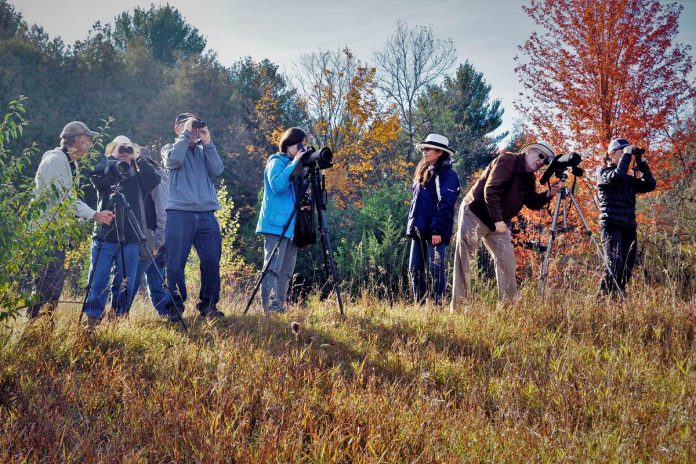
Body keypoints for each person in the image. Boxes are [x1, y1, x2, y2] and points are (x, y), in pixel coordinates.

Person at [451, 142, 560, 308]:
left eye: (545, 161)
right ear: (530, 151)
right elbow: (491, 190)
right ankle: (459, 307)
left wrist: (548, 194)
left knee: (507, 262)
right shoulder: (507, 160)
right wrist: (498, 220)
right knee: (465, 259)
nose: (541, 162)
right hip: (475, 213)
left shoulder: (529, 177)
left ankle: (508, 309)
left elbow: (531, 202)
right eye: (540, 156)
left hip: (498, 221)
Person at [29, 121, 115, 318]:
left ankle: (42, 329)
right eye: (88, 140)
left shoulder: (71, 162)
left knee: (53, 285)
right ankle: (35, 330)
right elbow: (65, 199)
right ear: (77, 141)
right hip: (45, 234)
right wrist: (95, 214)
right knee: (46, 285)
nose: (91, 145)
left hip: (55, 234)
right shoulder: (56, 160)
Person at [83, 136, 160, 326]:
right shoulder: (106, 172)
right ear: (112, 152)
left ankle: (119, 317)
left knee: (125, 282)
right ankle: (92, 317)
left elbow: (154, 179)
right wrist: (112, 160)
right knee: (98, 279)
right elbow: (93, 174)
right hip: (105, 236)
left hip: (132, 238)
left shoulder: (139, 176)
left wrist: (137, 157)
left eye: (128, 149)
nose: (125, 152)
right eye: (121, 149)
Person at [162, 113, 224, 319]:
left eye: (196, 126)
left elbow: (218, 169)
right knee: (175, 262)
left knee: (212, 260)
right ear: (177, 129)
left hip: (206, 214)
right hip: (179, 213)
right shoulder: (169, 149)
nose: (193, 130)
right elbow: (174, 161)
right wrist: (186, 132)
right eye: (188, 126)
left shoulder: (203, 150)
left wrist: (208, 141)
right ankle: (175, 308)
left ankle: (209, 305)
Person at [110, 147, 170, 316]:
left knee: (132, 279)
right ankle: (166, 314)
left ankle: (120, 314)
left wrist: (157, 244)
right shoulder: (157, 175)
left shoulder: (154, 181)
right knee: (156, 281)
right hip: (155, 236)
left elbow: (162, 212)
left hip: (152, 238)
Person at [255, 127, 307, 313]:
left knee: (285, 271)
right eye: (300, 145)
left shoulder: (296, 166)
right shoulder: (275, 162)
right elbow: (277, 185)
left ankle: (279, 307)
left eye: (305, 146)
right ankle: (268, 309)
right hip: (276, 225)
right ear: (288, 144)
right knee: (272, 269)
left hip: (291, 226)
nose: (303, 149)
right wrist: (294, 164)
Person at [597, 138, 656, 295]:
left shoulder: (629, 179)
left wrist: (641, 162)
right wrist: (627, 154)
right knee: (613, 264)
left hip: (629, 226)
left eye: (626, 151)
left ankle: (616, 302)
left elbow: (650, 185)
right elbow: (616, 176)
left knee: (626, 269)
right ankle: (601, 302)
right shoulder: (603, 173)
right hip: (611, 224)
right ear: (611, 154)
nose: (626, 155)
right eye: (622, 151)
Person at [406, 134, 460, 305]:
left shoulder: (448, 175)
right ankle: (420, 306)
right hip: (419, 230)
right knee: (414, 269)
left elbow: (446, 204)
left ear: (439, 152)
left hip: (435, 232)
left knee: (436, 270)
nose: (424, 152)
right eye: (423, 148)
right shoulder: (423, 171)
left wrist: (436, 230)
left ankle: (438, 307)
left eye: (427, 149)